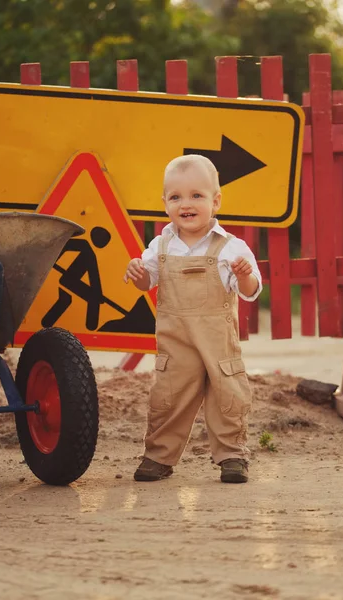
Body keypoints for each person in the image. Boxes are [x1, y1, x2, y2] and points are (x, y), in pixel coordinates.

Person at [123, 154, 262, 483]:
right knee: (168, 397)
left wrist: (243, 276)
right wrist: (138, 273)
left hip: (217, 341)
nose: (186, 204)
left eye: (196, 196)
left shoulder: (231, 247)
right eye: (176, 197)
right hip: (177, 341)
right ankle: (159, 457)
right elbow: (147, 282)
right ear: (165, 203)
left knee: (228, 395)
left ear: (215, 201)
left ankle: (232, 456)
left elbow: (252, 290)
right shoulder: (161, 245)